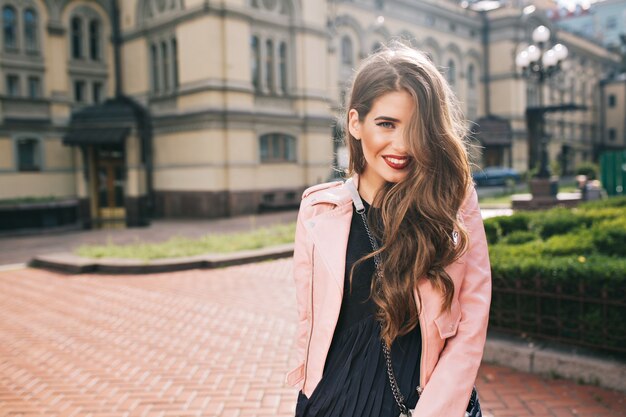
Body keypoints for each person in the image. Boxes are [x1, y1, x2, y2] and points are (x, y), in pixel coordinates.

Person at [286, 43, 492, 417]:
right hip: (334, 400)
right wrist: (309, 396)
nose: (402, 145)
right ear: (355, 122)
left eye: (416, 129)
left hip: (424, 401)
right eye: (386, 124)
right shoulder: (317, 209)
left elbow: (471, 326)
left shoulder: (452, 200)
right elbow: (310, 322)